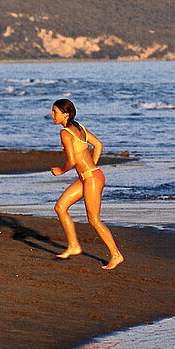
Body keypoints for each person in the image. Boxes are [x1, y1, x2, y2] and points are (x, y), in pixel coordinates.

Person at [50, 99, 123, 270]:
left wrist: (61, 171)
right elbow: (98, 145)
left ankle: (116, 255)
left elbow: (72, 160)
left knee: (94, 219)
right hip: (89, 176)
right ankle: (74, 245)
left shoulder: (65, 133)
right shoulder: (80, 128)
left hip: (91, 178)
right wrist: (91, 168)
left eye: (55, 111)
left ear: (65, 114)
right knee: (60, 207)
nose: (52, 115)